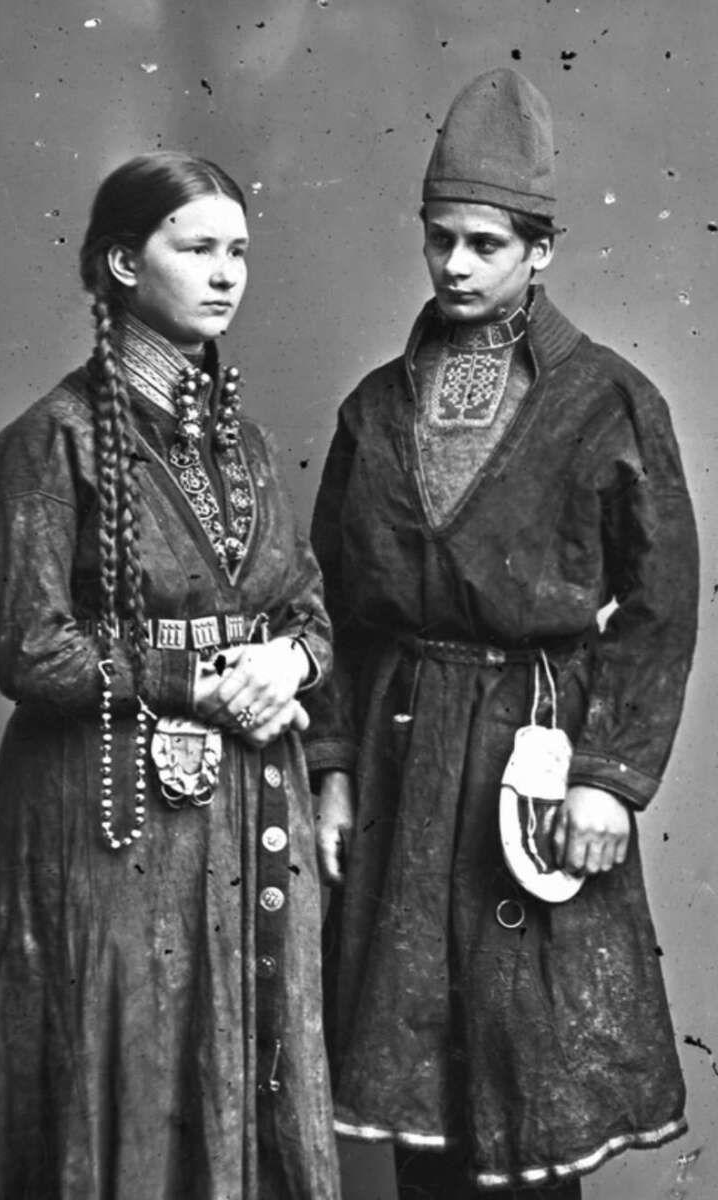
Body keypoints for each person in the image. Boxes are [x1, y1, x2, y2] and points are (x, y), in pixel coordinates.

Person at [307, 70, 698, 1198]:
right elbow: (327, 602)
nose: (456, 266)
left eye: (484, 242)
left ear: (540, 252)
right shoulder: (373, 408)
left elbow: (662, 604)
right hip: (396, 758)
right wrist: (331, 775)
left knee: (525, 1088)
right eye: (439, 241)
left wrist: (606, 782)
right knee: (411, 1086)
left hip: (530, 760)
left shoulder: (608, 402)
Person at [0, 151, 341, 1200]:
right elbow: (27, 646)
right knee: (126, 1062)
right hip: (111, 822)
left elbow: (306, 605)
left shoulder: (242, 446)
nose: (224, 275)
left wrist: (287, 658)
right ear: (120, 261)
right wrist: (192, 680)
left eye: (238, 252)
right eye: (194, 248)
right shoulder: (48, 443)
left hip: (248, 812)